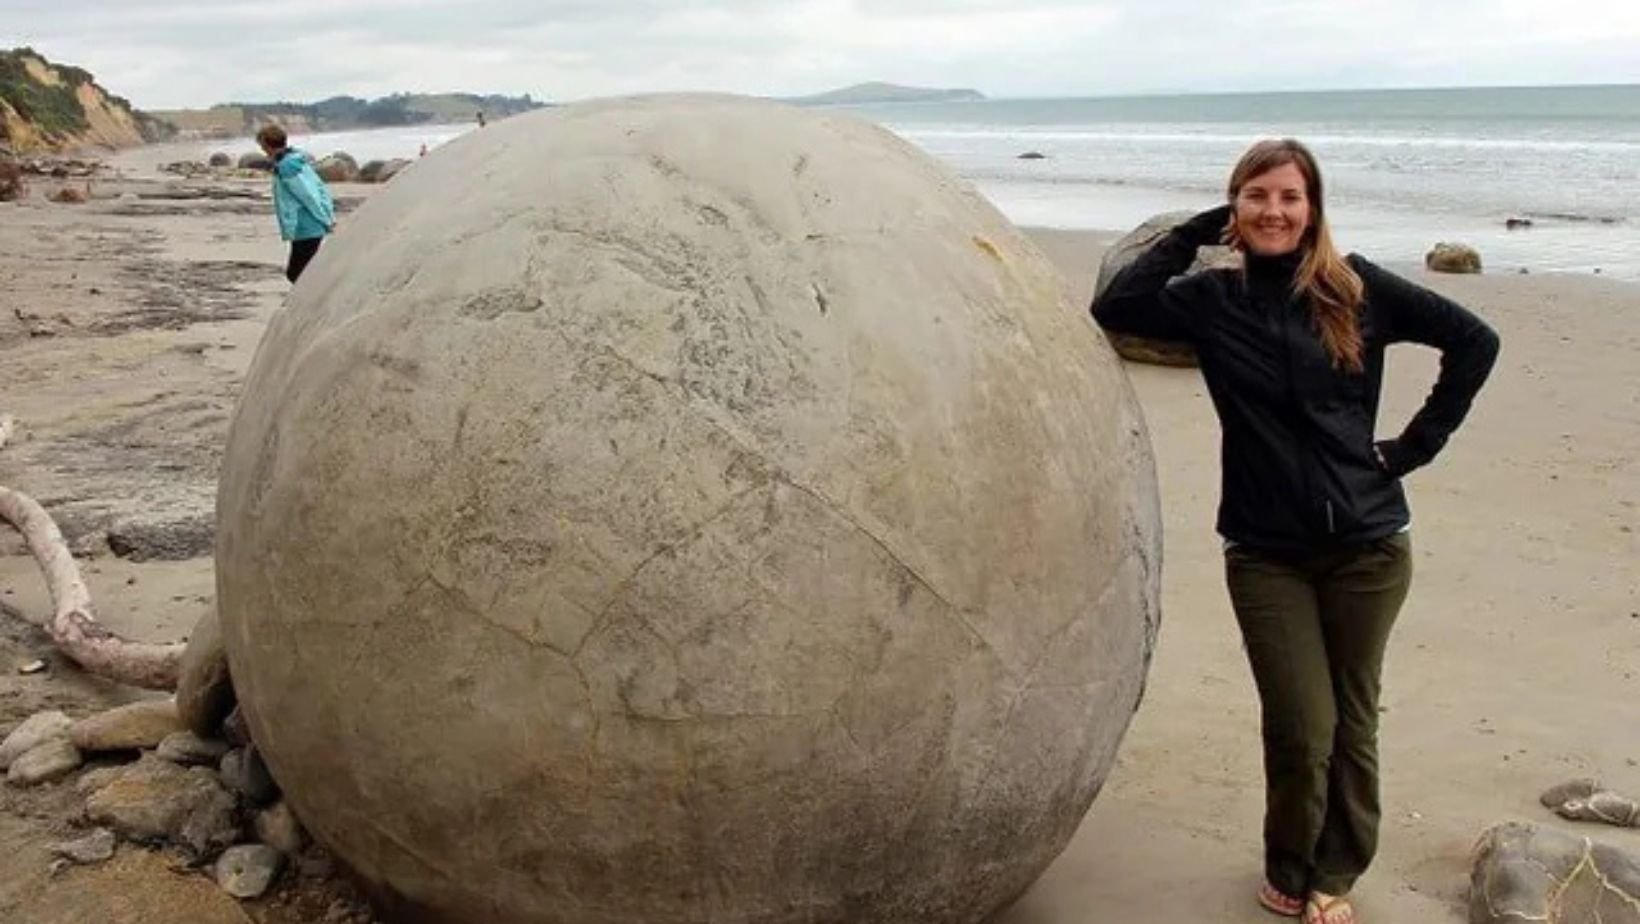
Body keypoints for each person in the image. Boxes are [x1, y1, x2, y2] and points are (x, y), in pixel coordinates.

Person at [1092, 139, 1499, 924]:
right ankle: (1288, 863)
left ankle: (1335, 875)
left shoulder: (1357, 289)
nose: (1274, 211)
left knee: (1352, 720)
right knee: (1300, 726)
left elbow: (1475, 341)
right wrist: (1201, 229)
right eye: (1256, 197)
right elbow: (1117, 304)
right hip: (1264, 550)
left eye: (1289, 197)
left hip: (1369, 547)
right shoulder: (1210, 301)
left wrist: (1416, 447)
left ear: (1313, 209)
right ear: (1237, 207)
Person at [255, 123, 334, 283]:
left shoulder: (288, 167)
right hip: (306, 225)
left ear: (267, 144)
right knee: (303, 271)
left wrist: (326, 220)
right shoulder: (294, 160)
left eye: (262, 145)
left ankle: (313, 304)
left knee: (297, 273)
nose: (262, 150)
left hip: (306, 225)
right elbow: (319, 188)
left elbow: (308, 195)